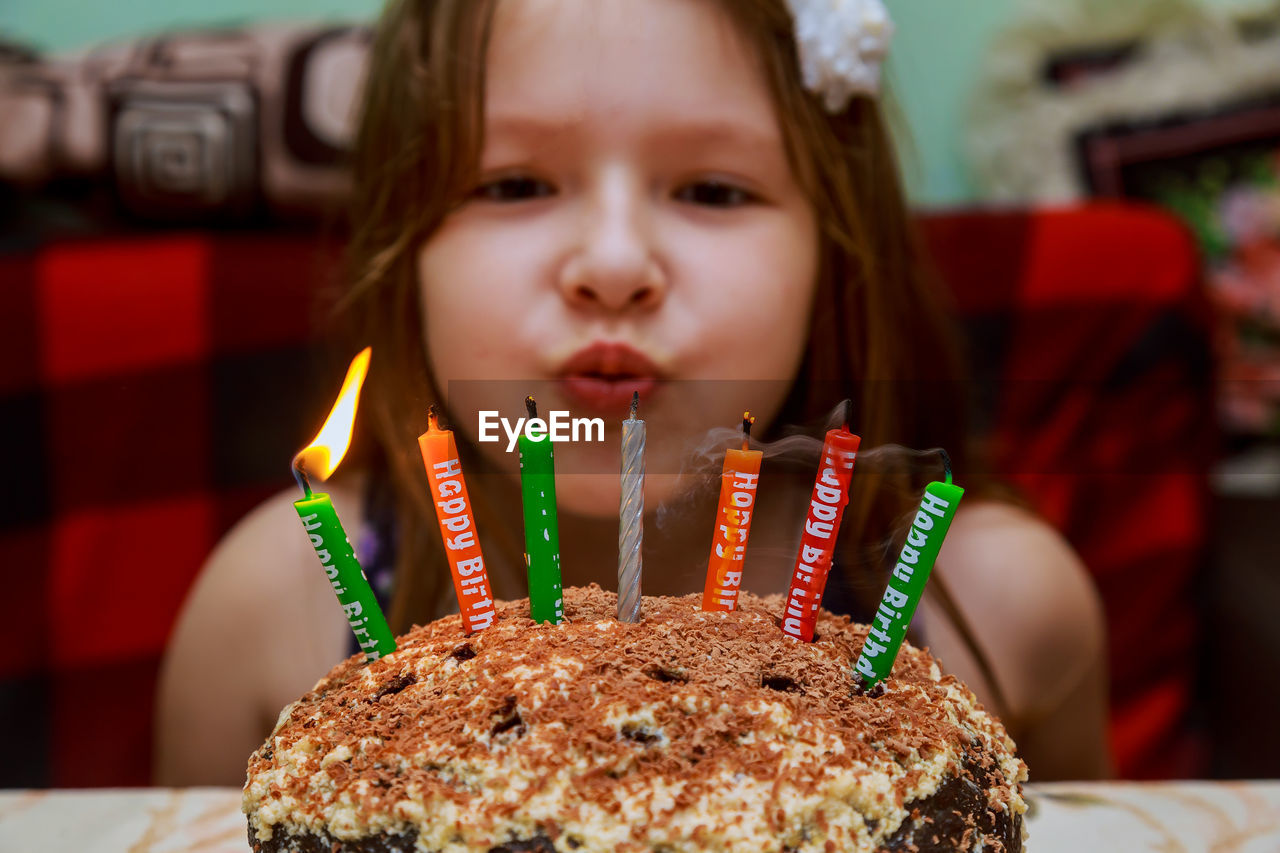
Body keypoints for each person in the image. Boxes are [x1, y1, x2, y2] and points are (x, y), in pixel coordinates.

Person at [155, 0, 1110, 786]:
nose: (614, 265)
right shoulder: (271, 607)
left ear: (838, 252)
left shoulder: (1002, 608)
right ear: (402, 246)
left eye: (714, 190)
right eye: (516, 182)